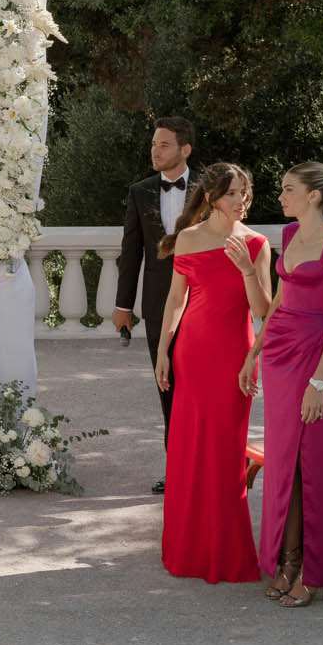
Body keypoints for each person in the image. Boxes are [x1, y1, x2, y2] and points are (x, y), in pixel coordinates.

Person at [241, 162, 323, 607]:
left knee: (311, 464)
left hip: (314, 358)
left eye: (289, 189)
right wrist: (254, 352)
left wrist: (318, 381)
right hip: (278, 357)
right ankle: (288, 560)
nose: (281, 196)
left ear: (314, 195)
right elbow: (279, 302)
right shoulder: (289, 237)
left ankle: (313, 572)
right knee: (284, 463)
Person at [155, 162, 269, 583]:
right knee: (188, 450)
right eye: (233, 193)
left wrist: (245, 269)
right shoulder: (188, 239)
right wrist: (164, 350)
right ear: (212, 197)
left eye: (245, 192)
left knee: (225, 454)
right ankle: (186, 549)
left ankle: (226, 552)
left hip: (234, 358)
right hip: (192, 353)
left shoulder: (257, 243)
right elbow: (175, 300)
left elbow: (263, 313)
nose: (241, 201)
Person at [116, 116, 196, 493]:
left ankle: (206, 467)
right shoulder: (140, 191)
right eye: (153, 144)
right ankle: (177, 470)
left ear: (185, 149)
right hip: (157, 305)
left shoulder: (210, 189)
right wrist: (122, 305)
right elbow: (130, 253)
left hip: (203, 303)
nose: (155, 150)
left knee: (202, 388)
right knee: (168, 386)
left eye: (163, 145)